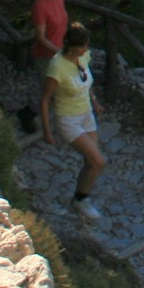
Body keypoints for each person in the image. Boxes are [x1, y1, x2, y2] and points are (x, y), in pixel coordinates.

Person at [42, 24, 106, 219]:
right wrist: (47, 131)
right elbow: (45, 99)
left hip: (86, 114)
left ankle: (81, 198)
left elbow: (86, 82)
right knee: (99, 161)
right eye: (82, 46)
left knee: (91, 162)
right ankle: (81, 200)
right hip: (68, 119)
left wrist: (95, 102)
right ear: (72, 46)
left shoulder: (83, 57)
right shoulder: (57, 67)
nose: (86, 50)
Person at [18, 0, 72, 133]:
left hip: (62, 51)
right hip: (46, 56)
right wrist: (59, 52)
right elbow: (40, 38)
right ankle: (29, 113)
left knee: (61, 90)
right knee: (52, 92)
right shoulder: (40, 6)